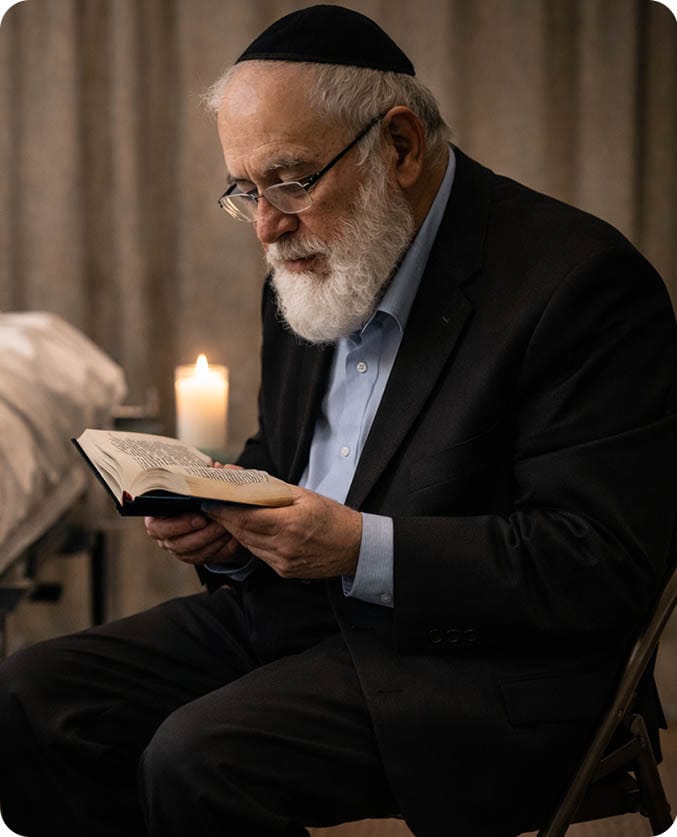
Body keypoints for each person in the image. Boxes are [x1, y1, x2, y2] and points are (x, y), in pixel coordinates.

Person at [1, 5, 676, 837]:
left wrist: (360, 547)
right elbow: (292, 459)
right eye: (243, 191)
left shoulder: (581, 282)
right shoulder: (305, 268)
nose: (264, 227)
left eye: (288, 180)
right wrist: (223, 512)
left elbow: (600, 561)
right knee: (31, 692)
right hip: (299, 612)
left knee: (196, 755)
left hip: (483, 656)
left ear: (398, 144)